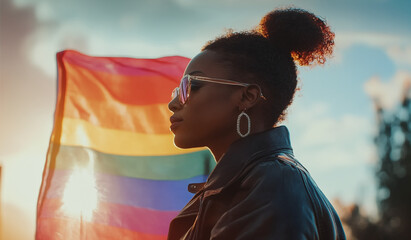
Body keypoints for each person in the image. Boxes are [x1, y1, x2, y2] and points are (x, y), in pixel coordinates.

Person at [167, 7, 346, 240]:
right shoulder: (250, 184)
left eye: (189, 87)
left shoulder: (272, 185)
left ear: (246, 97)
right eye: (176, 90)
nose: (173, 103)